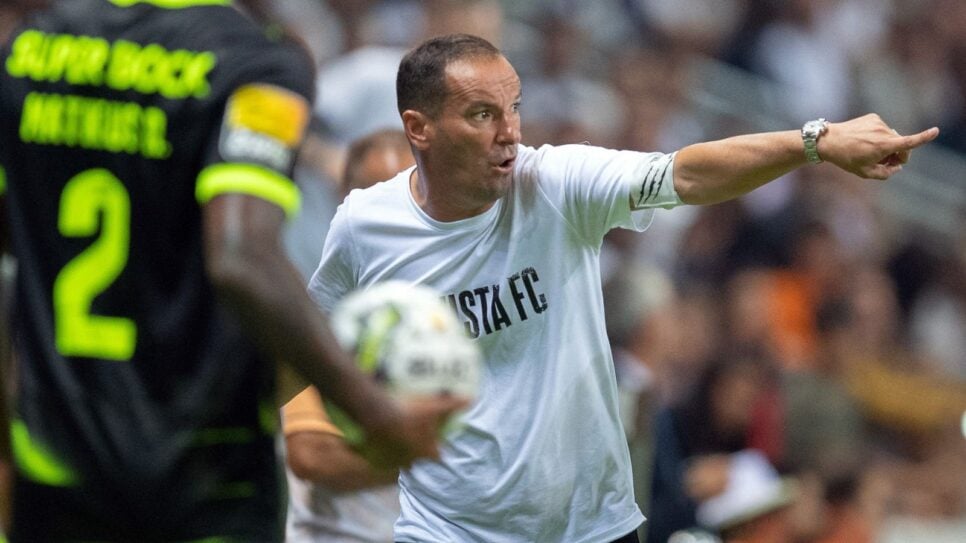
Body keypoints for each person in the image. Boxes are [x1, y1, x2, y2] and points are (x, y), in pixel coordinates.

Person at [307, 33, 939, 542]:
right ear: (419, 128)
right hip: (444, 529)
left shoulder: (553, 185)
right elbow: (307, 347)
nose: (512, 133)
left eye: (515, 107)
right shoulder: (365, 226)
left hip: (589, 527)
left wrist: (817, 142)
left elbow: (685, 174)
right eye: (482, 115)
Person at [0, 2, 464, 541]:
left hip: (57, 462)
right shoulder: (254, 64)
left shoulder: (29, 50)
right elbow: (242, 257)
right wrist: (375, 410)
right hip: (204, 478)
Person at [284, 129, 415, 543]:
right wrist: (441, 454)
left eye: (405, 197)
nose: (391, 216)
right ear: (344, 200)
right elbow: (311, 454)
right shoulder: (320, 320)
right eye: (374, 194)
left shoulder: (454, 310)